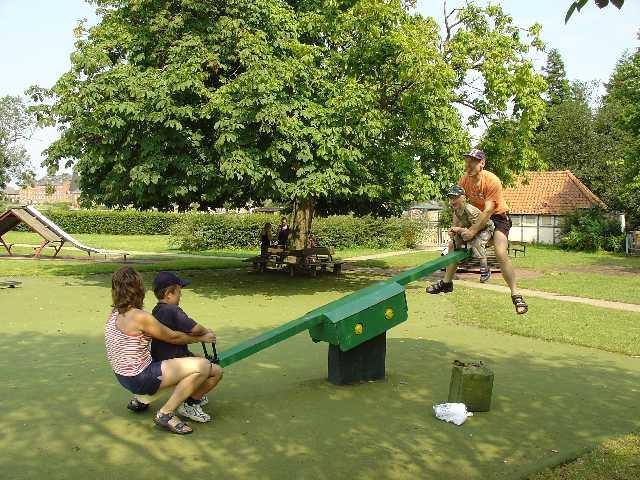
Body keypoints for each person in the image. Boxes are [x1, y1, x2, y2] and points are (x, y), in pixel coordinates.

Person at [105, 267, 220, 435]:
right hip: (140, 378)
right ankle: (165, 413)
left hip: (122, 376)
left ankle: (142, 400)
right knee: (203, 365)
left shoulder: (114, 313)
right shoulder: (139, 316)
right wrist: (201, 338)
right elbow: (173, 338)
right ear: (139, 289)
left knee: (195, 364)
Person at [426, 149, 528, 314]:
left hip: (497, 217)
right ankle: (447, 283)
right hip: (474, 218)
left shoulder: (492, 181)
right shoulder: (463, 181)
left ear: (482, 163)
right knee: (452, 245)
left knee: (501, 252)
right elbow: (458, 206)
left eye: (474, 161)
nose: (469, 164)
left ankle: (515, 294)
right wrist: (454, 229)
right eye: (467, 160)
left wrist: (473, 231)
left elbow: (488, 211)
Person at [134, 271, 223, 423]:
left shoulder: (157, 310)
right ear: (169, 293)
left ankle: (191, 395)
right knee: (216, 371)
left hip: (162, 359)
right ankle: (190, 403)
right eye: (179, 292)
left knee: (201, 358)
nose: (180, 296)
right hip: (175, 361)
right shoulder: (173, 310)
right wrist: (206, 332)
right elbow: (195, 328)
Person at [445, 185, 494, 283]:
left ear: (463, 198)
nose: (452, 201)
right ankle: (458, 259)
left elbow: (476, 227)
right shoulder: (457, 210)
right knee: (455, 241)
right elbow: (459, 223)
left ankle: (485, 270)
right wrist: (453, 231)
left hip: (485, 228)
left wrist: (459, 229)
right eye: (451, 199)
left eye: (455, 198)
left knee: (477, 242)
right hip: (472, 228)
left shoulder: (470, 210)